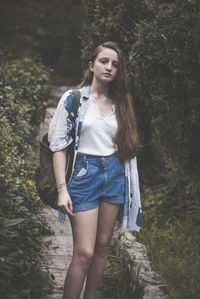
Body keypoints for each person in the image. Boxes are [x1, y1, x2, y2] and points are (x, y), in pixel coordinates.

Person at [49, 41, 142, 299]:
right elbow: (59, 147)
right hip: (83, 175)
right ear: (91, 65)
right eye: (104, 61)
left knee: (102, 247)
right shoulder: (74, 99)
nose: (109, 67)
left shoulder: (121, 103)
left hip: (114, 175)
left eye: (115, 64)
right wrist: (61, 189)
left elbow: (127, 145)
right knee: (85, 252)